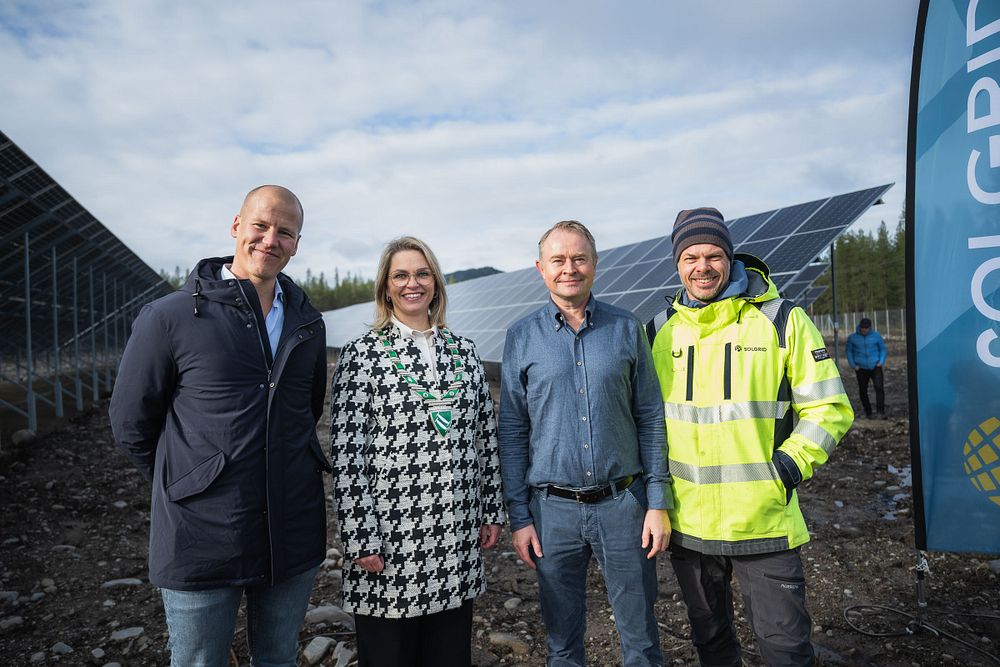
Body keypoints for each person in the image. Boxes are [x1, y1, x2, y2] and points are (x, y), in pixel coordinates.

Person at [109, 185, 329, 666]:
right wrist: (190, 480)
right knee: (198, 661)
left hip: (291, 527)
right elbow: (131, 422)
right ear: (236, 227)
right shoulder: (170, 317)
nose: (271, 239)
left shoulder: (308, 324)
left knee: (277, 658)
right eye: (261, 225)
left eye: (285, 232)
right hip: (202, 533)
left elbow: (303, 412)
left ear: (296, 244)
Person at [645, 207, 854, 667]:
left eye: (714, 255)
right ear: (678, 264)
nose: (703, 266)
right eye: (691, 256)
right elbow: (645, 421)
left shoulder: (782, 321)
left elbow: (830, 408)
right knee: (713, 646)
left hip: (764, 523)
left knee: (785, 648)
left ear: (731, 257)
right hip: (688, 526)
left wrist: (785, 470)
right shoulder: (659, 331)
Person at [498, 220, 670, 667]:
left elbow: (651, 416)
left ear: (595, 265)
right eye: (558, 260)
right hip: (552, 512)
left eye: (579, 258)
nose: (568, 268)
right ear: (541, 268)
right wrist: (519, 516)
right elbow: (513, 431)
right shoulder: (521, 337)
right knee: (562, 643)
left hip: (624, 506)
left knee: (642, 640)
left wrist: (657, 501)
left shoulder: (627, 328)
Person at [328, 236, 505, 667]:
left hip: (454, 532)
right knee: (390, 655)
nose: (413, 283)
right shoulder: (362, 355)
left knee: (448, 654)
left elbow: (485, 435)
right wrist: (360, 536)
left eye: (422, 273)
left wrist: (491, 509)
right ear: (386, 287)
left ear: (436, 283)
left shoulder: (463, 353)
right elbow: (349, 454)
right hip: (390, 539)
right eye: (401, 275)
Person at [845, 317, 887, 419]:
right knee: (863, 390)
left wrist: (881, 362)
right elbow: (849, 351)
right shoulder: (852, 338)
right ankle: (868, 412)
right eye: (863, 328)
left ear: (870, 328)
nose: (864, 330)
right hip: (861, 368)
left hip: (875, 366)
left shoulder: (876, 336)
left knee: (879, 388)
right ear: (860, 327)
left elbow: (882, 349)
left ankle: (880, 412)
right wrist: (853, 365)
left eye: (866, 328)